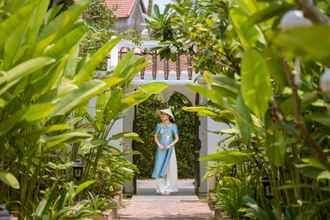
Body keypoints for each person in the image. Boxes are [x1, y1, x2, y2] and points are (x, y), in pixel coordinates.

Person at [151, 108, 179, 195]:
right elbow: (155, 137)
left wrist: (170, 145)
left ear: (169, 116)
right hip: (161, 149)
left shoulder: (173, 126)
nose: (162, 116)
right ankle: (161, 188)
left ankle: (169, 187)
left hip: (170, 149)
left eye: (164, 115)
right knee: (159, 166)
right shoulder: (159, 125)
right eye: (161, 115)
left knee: (170, 168)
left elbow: (177, 138)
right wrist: (159, 144)